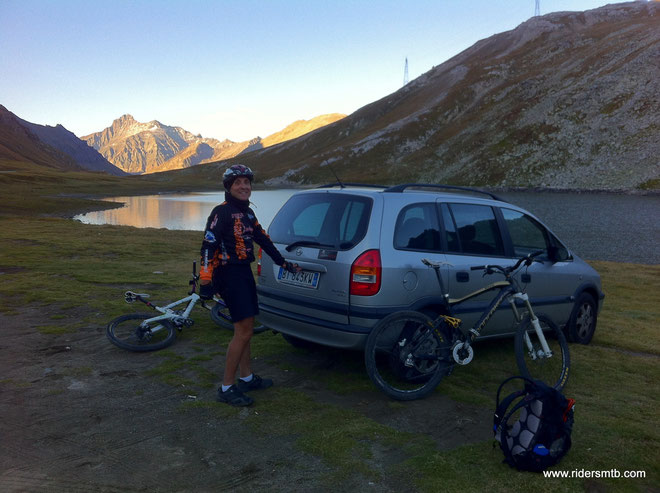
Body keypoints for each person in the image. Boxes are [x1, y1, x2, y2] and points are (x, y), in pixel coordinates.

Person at [199, 164, 299, 406]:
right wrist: (205, 279)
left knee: (246, 329)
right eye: (238, 183)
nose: (244, 187)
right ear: (229, 187)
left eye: (247, 182)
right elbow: (207, 246)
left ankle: (246, 377)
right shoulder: (220, 212)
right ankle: (226, 387)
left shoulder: (248, 214)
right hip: (228, 274)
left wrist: (282, 263)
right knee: (243, 331)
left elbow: (262, 239)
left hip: (243, 272)